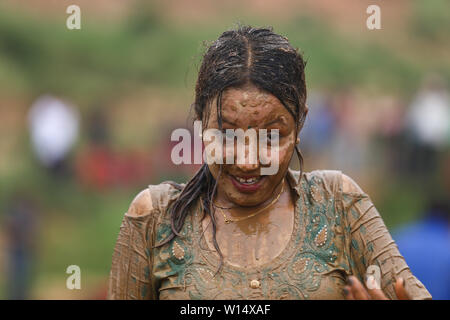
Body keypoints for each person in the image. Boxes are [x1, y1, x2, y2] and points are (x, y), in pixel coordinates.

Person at [107, 26, 431, 300]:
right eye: (227, 135)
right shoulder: (154, 219)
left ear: (300, 125)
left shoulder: (339, 205)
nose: (248, 162)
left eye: (273, 136)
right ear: (200, 122)